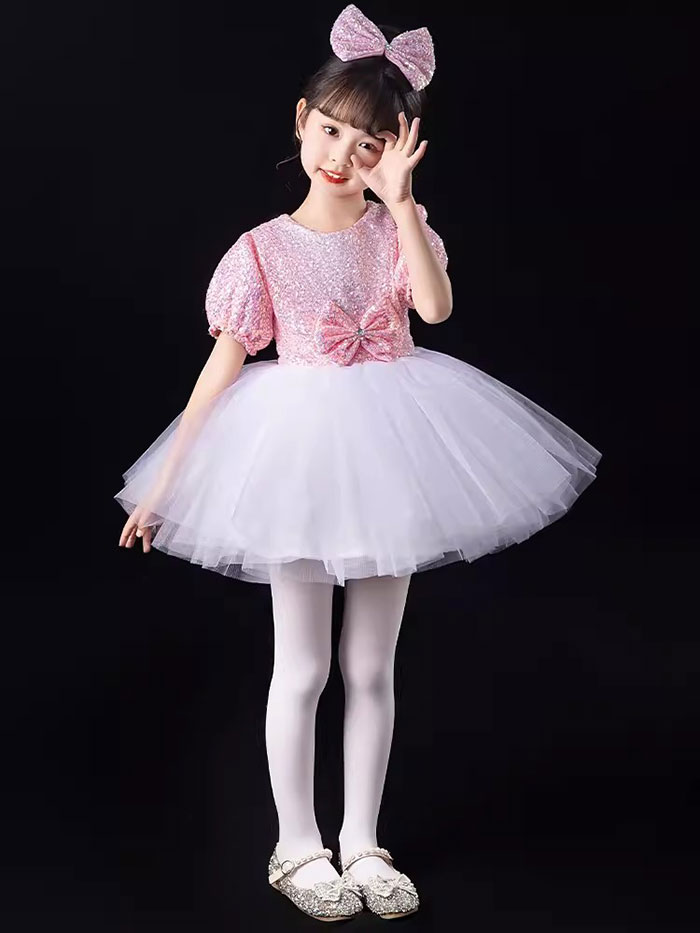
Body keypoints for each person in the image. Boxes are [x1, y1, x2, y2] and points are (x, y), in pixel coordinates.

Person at [114, 4, 602, 921]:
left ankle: (364, 839)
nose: (344, 154)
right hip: (298, 455)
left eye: (370, 142)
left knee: (372, 665)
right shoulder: (260, 251)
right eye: (333, 130)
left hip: (390, 445)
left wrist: (403, 207)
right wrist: (169, 481)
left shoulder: (396, 229)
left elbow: (435, 308)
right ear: (302, 121)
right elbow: (221, 370)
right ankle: (296, 844)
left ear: (395, 150)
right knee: (301, 667)